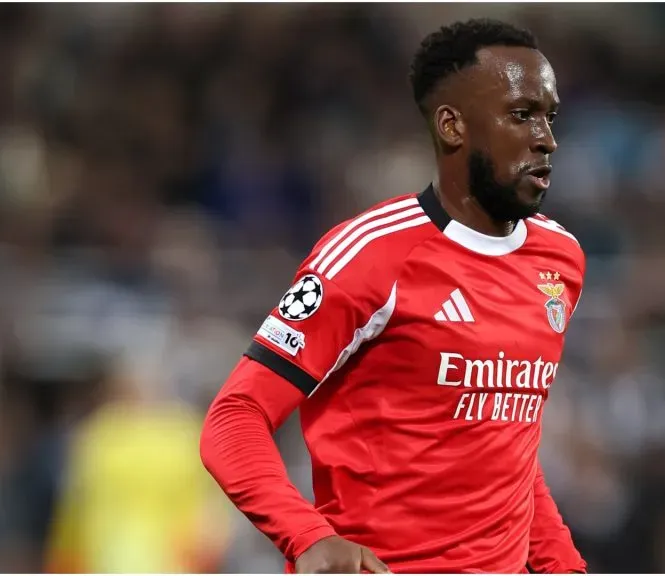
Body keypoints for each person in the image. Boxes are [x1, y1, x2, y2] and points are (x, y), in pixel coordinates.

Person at [200, 18, 587, 574]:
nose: (546, 138)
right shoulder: (369, 256)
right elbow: (234, 417)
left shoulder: (560, 258)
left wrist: (561, 564)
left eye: (550, 116)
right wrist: (306, 536)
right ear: (453, 127)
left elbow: (504, 447)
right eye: (521, 114)